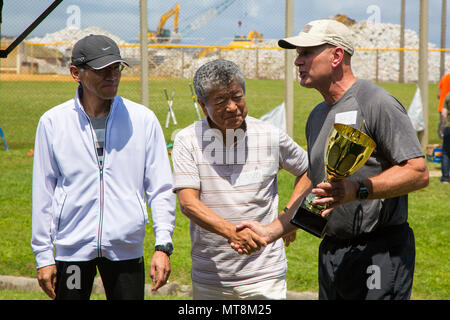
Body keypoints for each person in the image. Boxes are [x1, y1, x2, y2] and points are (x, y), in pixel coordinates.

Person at [233, 19, 429, 300]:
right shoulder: (316, 116)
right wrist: (268, 233)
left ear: (336, 56)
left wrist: (358, 190)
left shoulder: (375, 103)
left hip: (379, 251)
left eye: (306, 53)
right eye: (297, 54)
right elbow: (318, 193)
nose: (297, 62)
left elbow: (418, 172)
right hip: (332, 253)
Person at [31, 34, 176, 300]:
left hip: (126, 249)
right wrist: (43, 255)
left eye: (116, 68)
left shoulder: (143, 120)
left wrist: (162, 245)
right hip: (72, 251)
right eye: (102, 70)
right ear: (76, 73)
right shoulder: (53, 122)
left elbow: (160, 187)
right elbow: (43, 192)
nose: (112, 76)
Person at [171, 59, 309, 300]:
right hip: (211, 277)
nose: (233, 107)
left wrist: (288, 216)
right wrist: (231, 233)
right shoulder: (187, 140)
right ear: (203, 105)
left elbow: (308, 170)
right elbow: (188, 203)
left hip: (265, 275)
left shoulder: (270, 135)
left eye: (237, 96)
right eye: (221, 101)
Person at [439, 93, 450, 183]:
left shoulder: (448, 95)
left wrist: (442, 126)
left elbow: (443, 113)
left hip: (448, 127)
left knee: (446, 152)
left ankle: (445, 177)